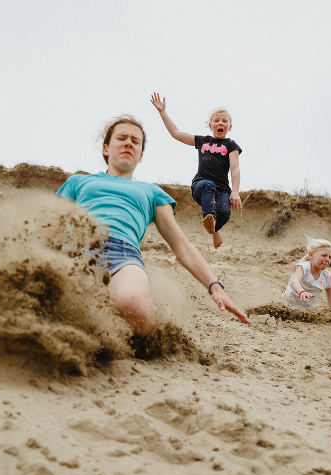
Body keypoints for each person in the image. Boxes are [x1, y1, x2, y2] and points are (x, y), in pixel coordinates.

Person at [56, 115, 250, 337]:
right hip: (75, 250)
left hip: (123, 257)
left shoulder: (153, 193)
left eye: (135, 141)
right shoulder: (78, 182)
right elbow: (52, 224)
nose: (129, 142)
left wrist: (215, 287)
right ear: (106, 148)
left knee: (135, 307)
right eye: (122, 138)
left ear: (140, 155)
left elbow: (181, 246)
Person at [150, 93, 243, 249]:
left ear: (230, 126)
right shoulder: (202, 141)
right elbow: (176, 133)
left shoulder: (231, 145)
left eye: (224, 121)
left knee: (225, 212)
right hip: (201, 186)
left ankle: (214, 228)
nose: (220, 123)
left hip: (222, 190)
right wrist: (162, 112)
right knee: (208, 185)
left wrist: (235, 191)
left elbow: (235, 169)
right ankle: (209, 217)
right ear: (210, 125)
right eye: (216, 120)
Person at [282, 237, 331, 308]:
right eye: (324, 255)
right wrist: (301, 292)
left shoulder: (328, 277)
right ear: (311, 255)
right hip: (286, 303)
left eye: (330, 257)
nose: (327, 259)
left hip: (305, 309)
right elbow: (294, 282)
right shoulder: (303, 267)